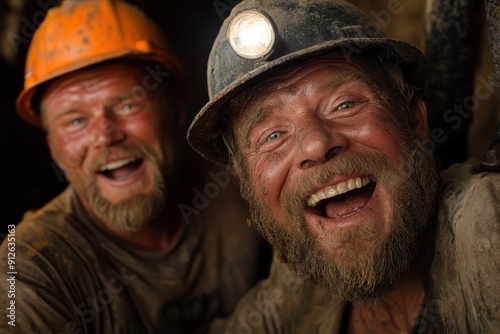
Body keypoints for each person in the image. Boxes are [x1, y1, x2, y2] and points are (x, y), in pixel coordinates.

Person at [187, 0, 500, 332]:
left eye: (344, 104)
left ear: (415, 117)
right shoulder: (300, 283)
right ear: (248, 187)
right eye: (273, 135)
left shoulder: (486, 226)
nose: (315, 145)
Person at [0, 1, 269, 333]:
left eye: (127, 104)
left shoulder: (246, 187)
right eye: (75, 121)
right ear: (53, 146)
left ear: (174, 110)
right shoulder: (26, 264)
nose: (104, 135)